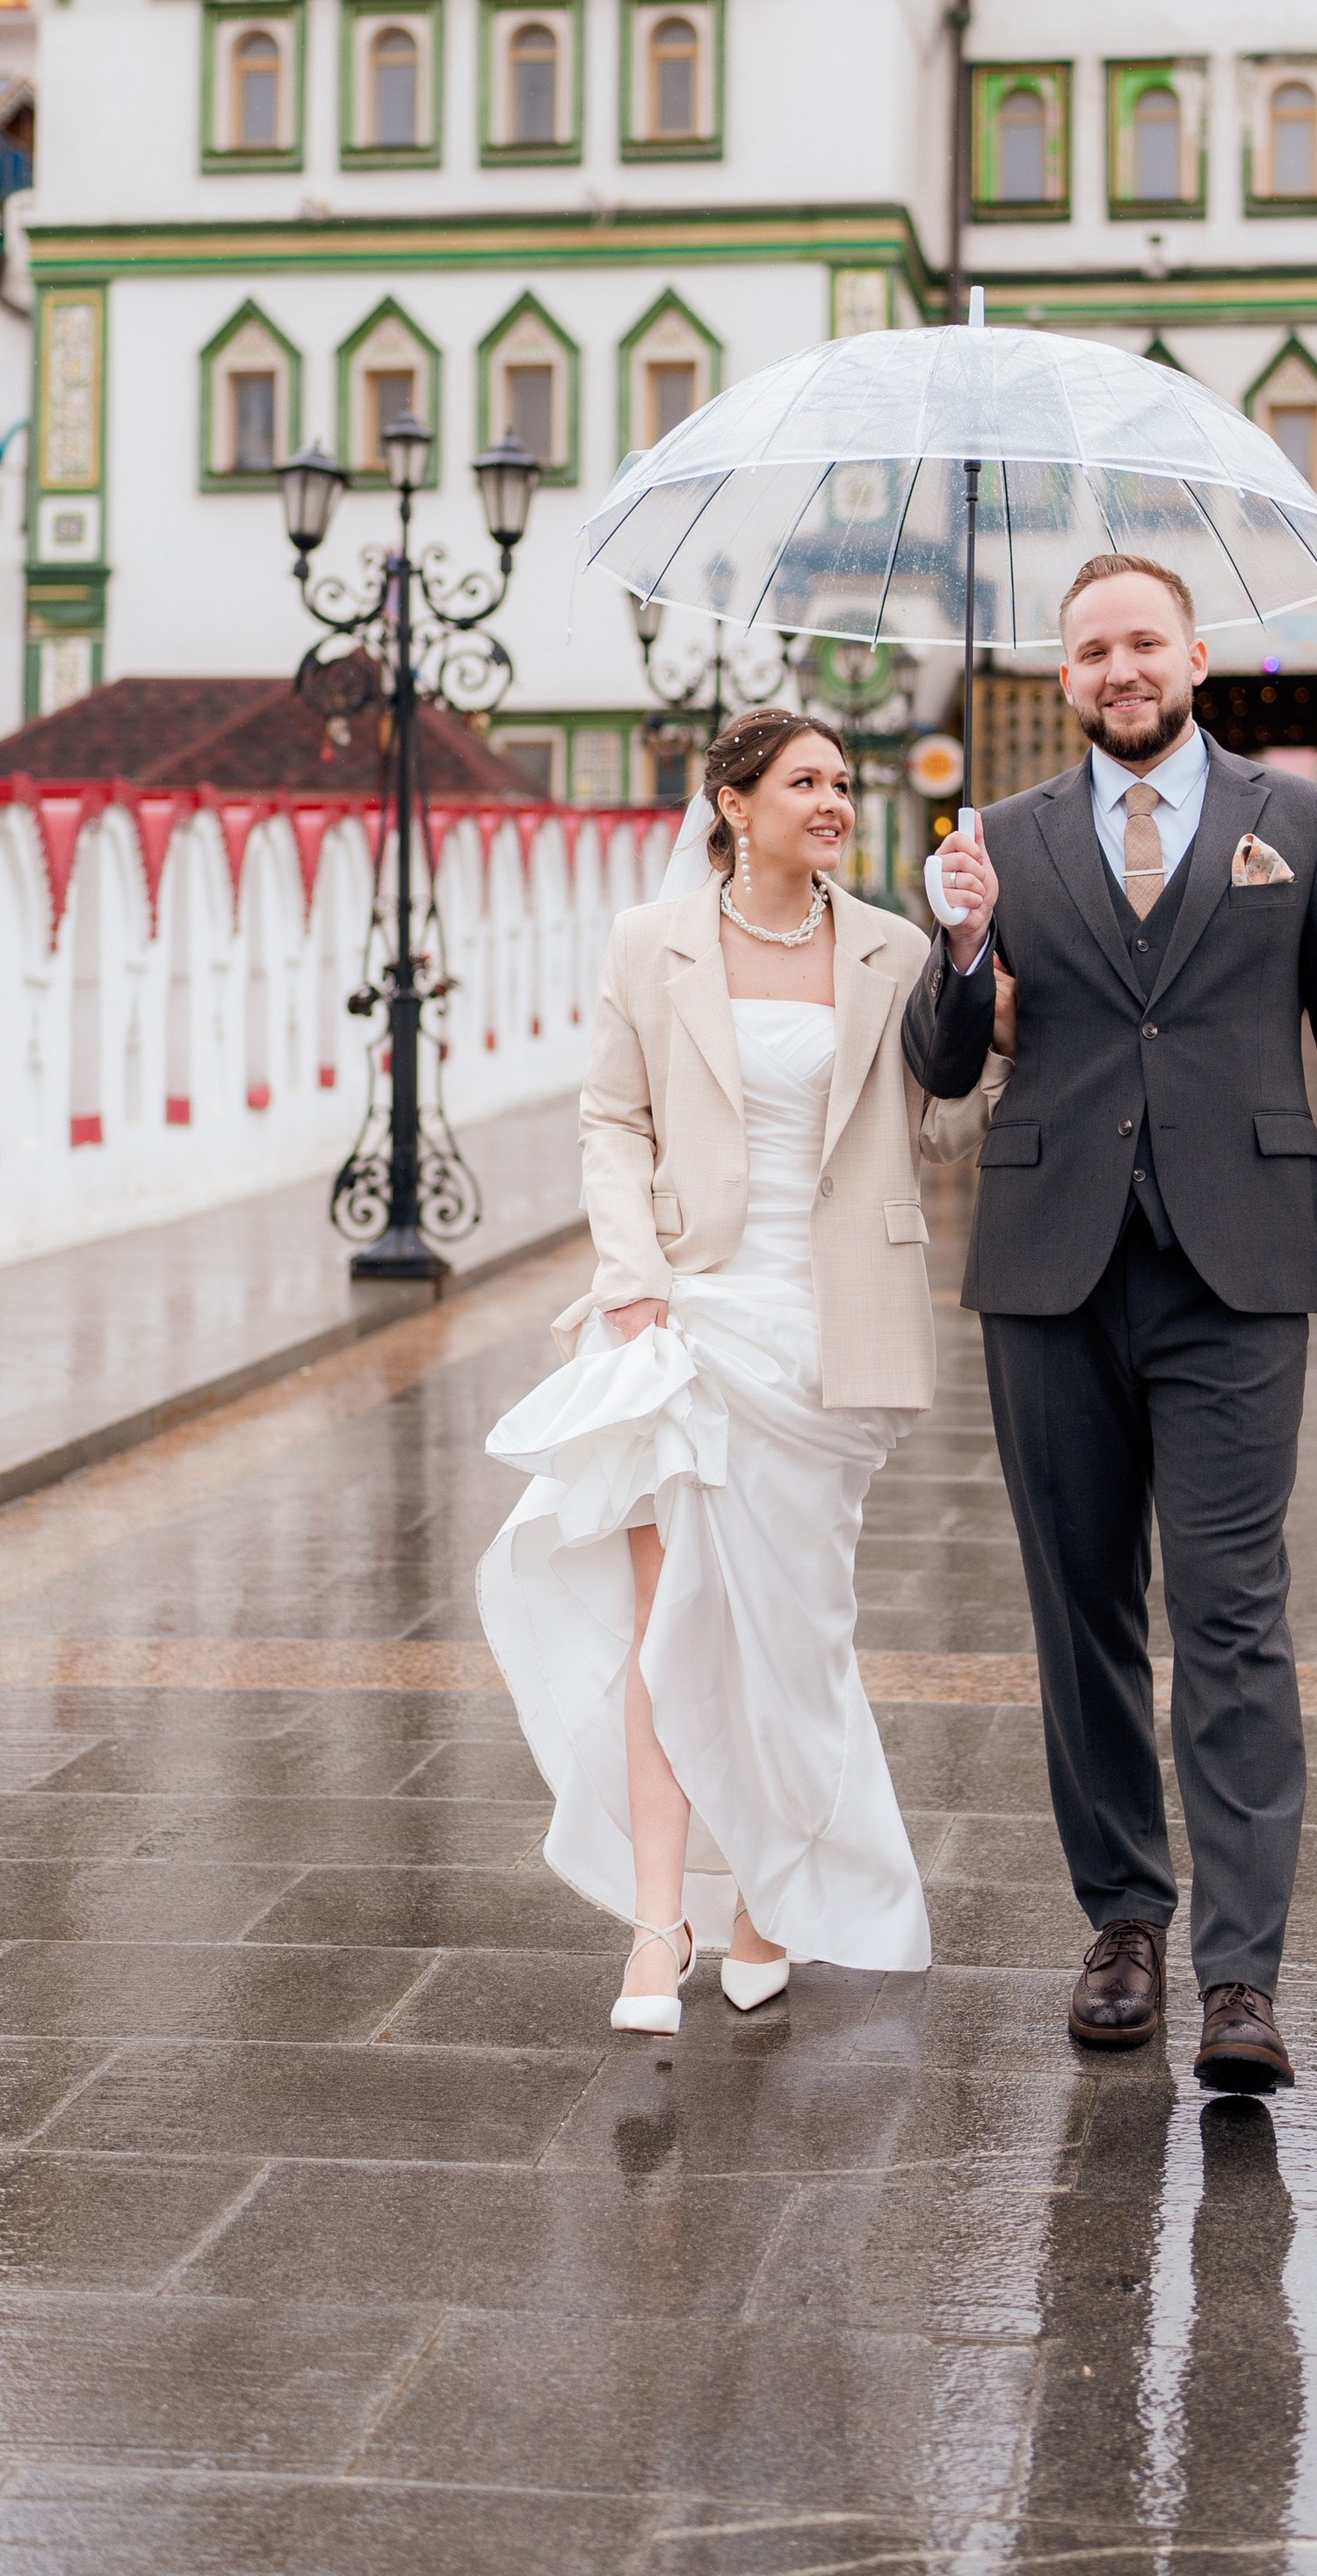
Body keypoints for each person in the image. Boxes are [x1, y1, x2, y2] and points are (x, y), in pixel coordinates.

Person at [904, 554, 1317, 2097]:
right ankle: (1123, 1921)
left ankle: (1242, 1974)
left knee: (1233, 1612)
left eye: (1143, 642)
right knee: (1080, 1612)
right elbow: (944, 1064)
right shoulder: (999, 839)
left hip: (1238, 1266)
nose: (1119, 669)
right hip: (1047, 1268)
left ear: (1197, 656)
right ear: (1062, 676)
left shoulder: (1302, 822)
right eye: (1091, 652)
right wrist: (963, 946)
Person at [478, 710, 1007, 2038]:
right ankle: (659, 1926)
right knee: (668, 1625)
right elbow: (613, 1119)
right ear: (732, 803)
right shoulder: (648, 943)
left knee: (801, 1634)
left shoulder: (892, 949)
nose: (833, 802)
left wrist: (979, 994)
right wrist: (631, 1277)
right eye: (804, 781)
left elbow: (946, 1130)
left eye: (843, 783)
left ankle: (772, 1896)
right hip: (687, 1323)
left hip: (835, 1335)